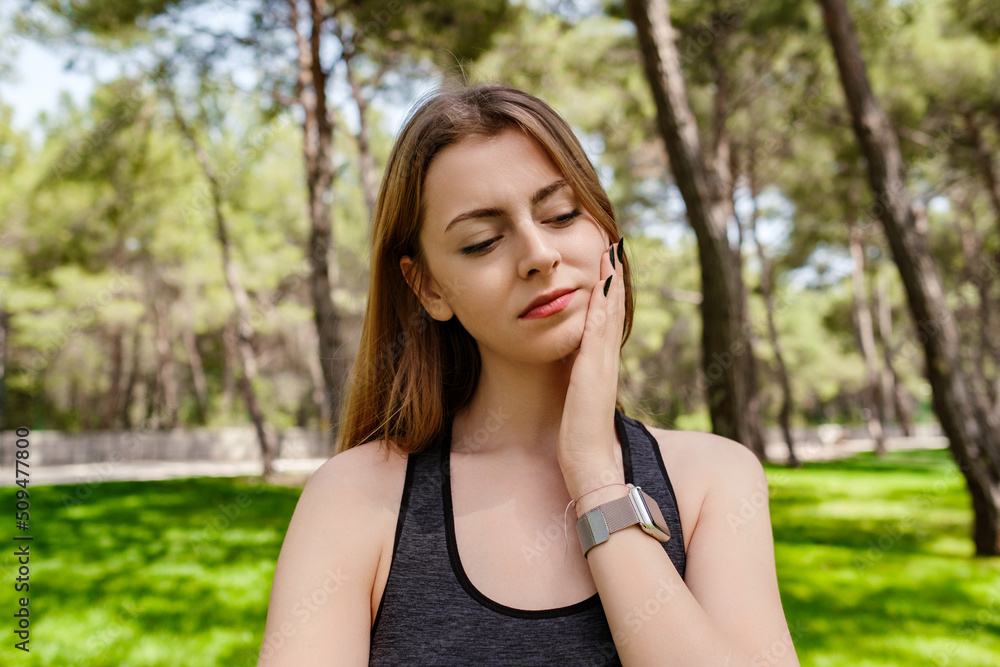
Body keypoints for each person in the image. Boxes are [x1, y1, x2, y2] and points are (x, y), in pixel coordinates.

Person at [259, 82, 798, 666]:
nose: (538, 253)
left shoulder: (714, 480)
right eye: (482, 241)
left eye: (562, 213)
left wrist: (595, 478)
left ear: (606, 233)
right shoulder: (353, 498)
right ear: (429, 287)